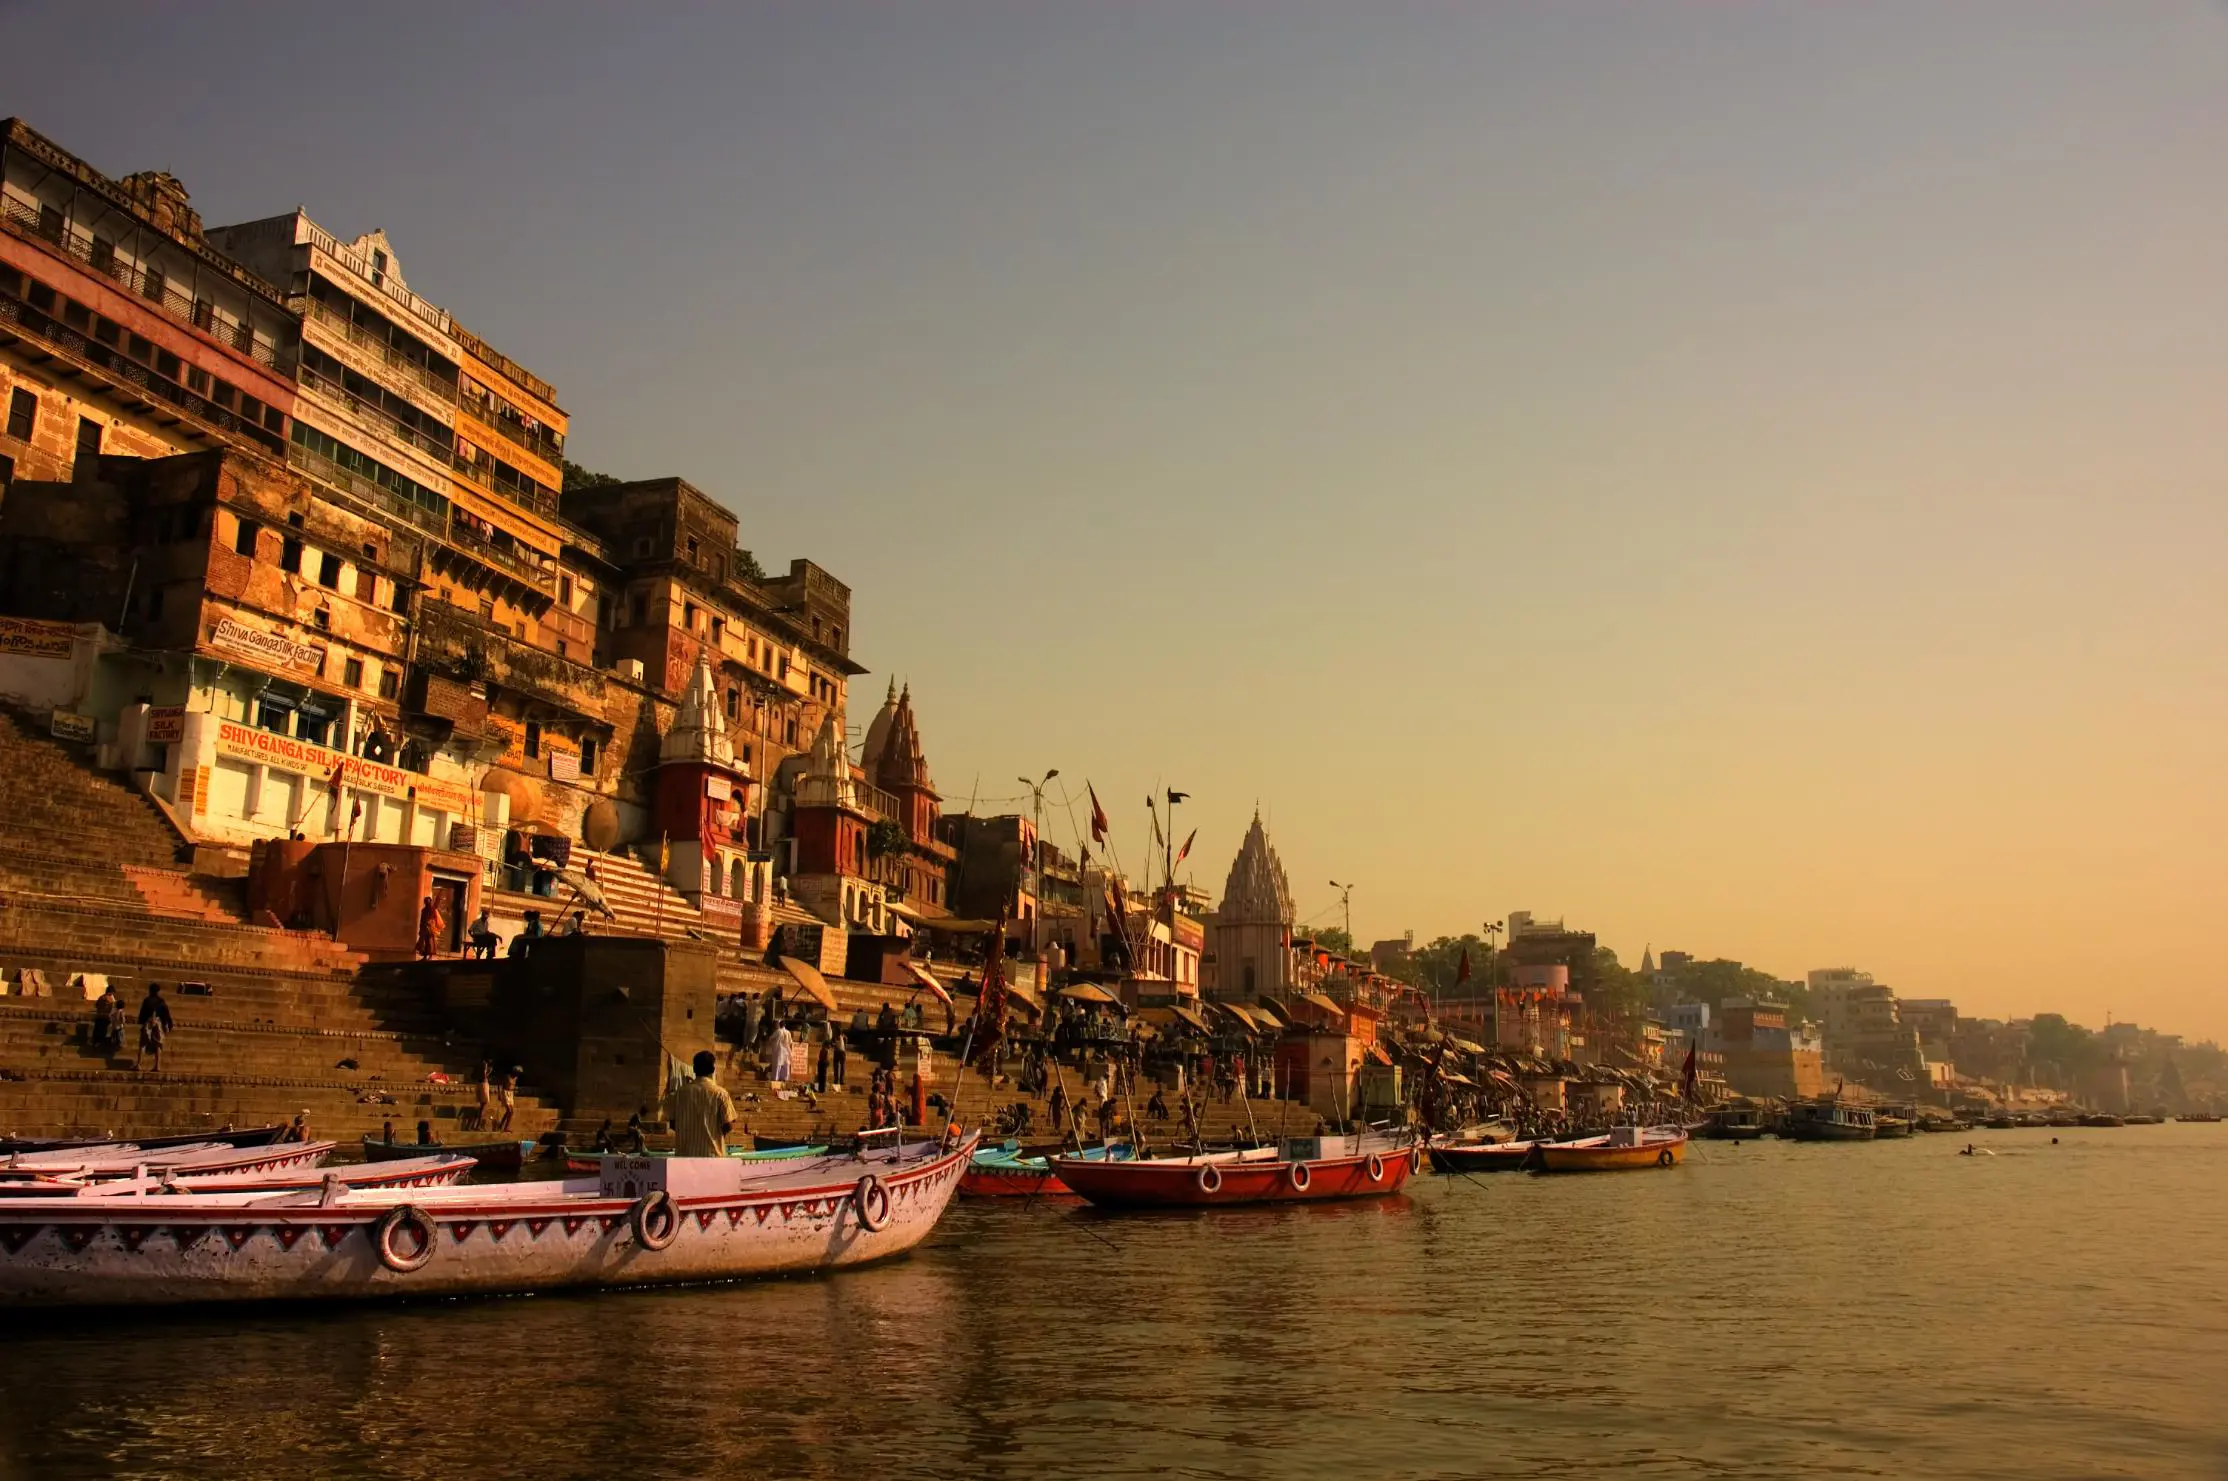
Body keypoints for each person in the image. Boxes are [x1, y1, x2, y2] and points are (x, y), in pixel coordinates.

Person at [667, 1049, 738, 1158]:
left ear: (694, 1069)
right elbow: (728, 1125)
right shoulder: (721, 1093)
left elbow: (672, 1124)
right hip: (712, 1156)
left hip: (684, 1157)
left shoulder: (680, 1093)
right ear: (713, 1069)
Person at [135, 982, 174, 1073]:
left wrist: (141, 1021)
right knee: (158, 1044)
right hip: (158, 1022)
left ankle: (139, 1064)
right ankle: (157, 1066)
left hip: (148, 1022)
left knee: (143, 1043)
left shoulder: (147, 1000)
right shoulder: (161, 1001)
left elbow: (143, 1013)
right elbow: (166, 1013)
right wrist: (168, 1024)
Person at [90, 984, 121, 1055]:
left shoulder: (101, 997)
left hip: (99, 1017)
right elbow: (113, 1007)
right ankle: (99, 1048)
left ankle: (95, 1045)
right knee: (102, 1032)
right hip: (105, 1018)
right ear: (111, 992)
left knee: (97, 1032)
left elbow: (96, 1005)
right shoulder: (110, 999)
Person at [769, 1019, 794, 1085]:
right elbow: (791, 1042)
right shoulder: (788, 1032)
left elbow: (771, 1038)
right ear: (785, 1025)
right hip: (786, 1051)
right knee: (785, 1065)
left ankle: (776, 1079)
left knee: (778, 1065)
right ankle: (785, 1078)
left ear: (780, 1025)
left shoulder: (778, 1031)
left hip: (779, 1051)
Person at [415, 894, 441, 960]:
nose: (427, 902)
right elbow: (422, 920)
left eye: (428, 901)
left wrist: (438, 896)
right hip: (424, 928)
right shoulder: (423, 910)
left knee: (430, 943)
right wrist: (421, 928)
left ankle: (430, 956)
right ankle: (425, 956)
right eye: (426, 901)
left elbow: (436, 903)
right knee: (424, 943)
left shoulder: (432, 909)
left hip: (430, 929)